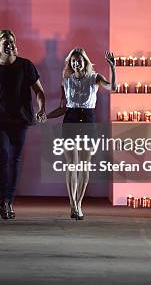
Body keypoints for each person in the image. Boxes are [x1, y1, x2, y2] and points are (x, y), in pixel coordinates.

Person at [0, 29, 47, 220]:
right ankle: (4, 199)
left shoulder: (26, 66)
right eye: (5, 42)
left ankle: (7, 202)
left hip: (21, 119)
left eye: (12, 41)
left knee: (14, 159)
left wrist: (41, 109)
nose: (9, 45)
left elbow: (39, 92)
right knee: (1, 158)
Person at [47, 48, 116, 220]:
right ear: (70, 63)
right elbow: (63, 107)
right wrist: (46, 115)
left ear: (85, 61)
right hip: (70, 120)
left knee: (84, 165)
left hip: (88, 122)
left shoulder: (95, 78)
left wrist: (113, 68)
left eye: (78, 60)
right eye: (72, 61)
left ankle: (79, 204)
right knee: (72, 165)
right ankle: (73, 205)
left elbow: (113, 87)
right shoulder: (66, 81)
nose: (75, 63)